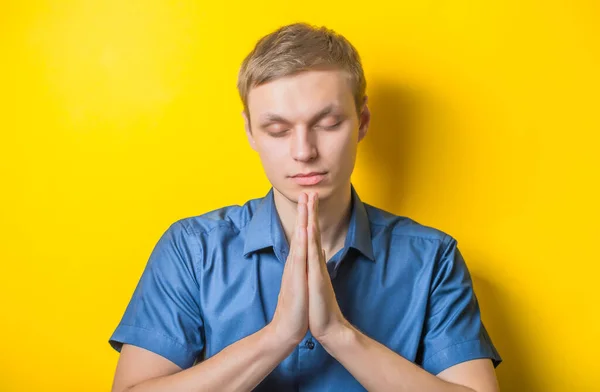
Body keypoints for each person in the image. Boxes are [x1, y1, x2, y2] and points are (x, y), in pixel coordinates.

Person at [108, 22, 502, 392]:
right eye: (278, 130)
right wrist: (277, 336)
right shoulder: (193, 249)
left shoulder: (432, 257)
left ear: (362, 121)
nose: (304, 152)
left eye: (328, 123)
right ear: (250, 132)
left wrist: (338, 334)